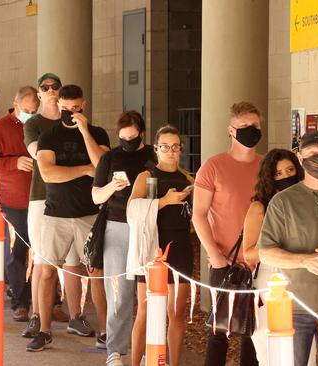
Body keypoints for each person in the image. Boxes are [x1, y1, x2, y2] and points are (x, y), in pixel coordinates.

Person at [259, 130, 318, 366]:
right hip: (293, 308)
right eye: (311, 153)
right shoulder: (282, 201)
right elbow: (265, 251)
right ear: (300, 158)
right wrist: (304, 260)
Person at [27, 84, 110, 352]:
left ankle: (106, 331)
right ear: (58, 106)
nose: (70, 114)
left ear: (83, 105)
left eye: (75, 109)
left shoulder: (96, 133)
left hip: (90, 213)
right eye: (65, 109)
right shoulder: (48, 136)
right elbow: (49, 174)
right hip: (56, 213)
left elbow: (104, 166)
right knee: (48, 270)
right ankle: (44, 329)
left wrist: (85, 132)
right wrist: (85, 169)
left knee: (95, 272)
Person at [192, 101, 263, 366]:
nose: (251, 131)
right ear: (231, 130)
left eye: (255, 126)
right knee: (219, 330)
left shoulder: (266, 166)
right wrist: (214, 254)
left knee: (252, 332)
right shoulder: (213, 167)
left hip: (259, 261)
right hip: (224, 260)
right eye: (245, 126)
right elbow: (198, 214)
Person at [91, 111, 156, 365]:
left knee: (149, 292)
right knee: (118, 291)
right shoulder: (110, 157)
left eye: (132, 137)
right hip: (116, 225)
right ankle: (115, 350)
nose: (127, 142)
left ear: (141, 132)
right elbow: (95, 196)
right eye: (123, 138)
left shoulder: (153, 155)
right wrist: (111, 188)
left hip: (147, 225)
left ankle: (144, 349)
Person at [128, 125, 194, 366]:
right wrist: (163, 202)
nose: (170, 151)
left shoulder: (188, 178)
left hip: (181, 246)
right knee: (145, 310)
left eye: (175, 147)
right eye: (165, 146)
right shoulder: (146, 177)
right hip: (152, 246)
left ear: (181, 149)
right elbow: (132, 210)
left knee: (176, 313)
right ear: (156, 148)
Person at [0, 86, 39, 320]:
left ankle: (49, 301)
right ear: (15, 105)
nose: (31, 114)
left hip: (41, 199)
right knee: (18, 252)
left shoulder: (41, 125)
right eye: (26, 110)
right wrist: (14, 163)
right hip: (11, 200)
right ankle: (19, 302)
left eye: (34, 111)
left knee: (43, 253)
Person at [240, 148, 303, 363]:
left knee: (306, 351)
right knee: (270, 351)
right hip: (269, 283)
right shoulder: (259, 207)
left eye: (290, 170)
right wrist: (279, 251)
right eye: (278, 173)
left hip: (304, 281)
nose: (286, 176)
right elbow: (248, 254)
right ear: (269, 178)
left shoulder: (307, 202)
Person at [22, 72, 69, 338]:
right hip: (41, 195)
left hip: (72, 198)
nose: (51, 90)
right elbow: (37, 154)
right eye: (45, 87)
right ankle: (37, 315)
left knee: (72, 263)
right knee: (41, 260)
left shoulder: (74, 121)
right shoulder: (33, 123)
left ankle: (73, 314)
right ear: (39, 93)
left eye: (55, 87)